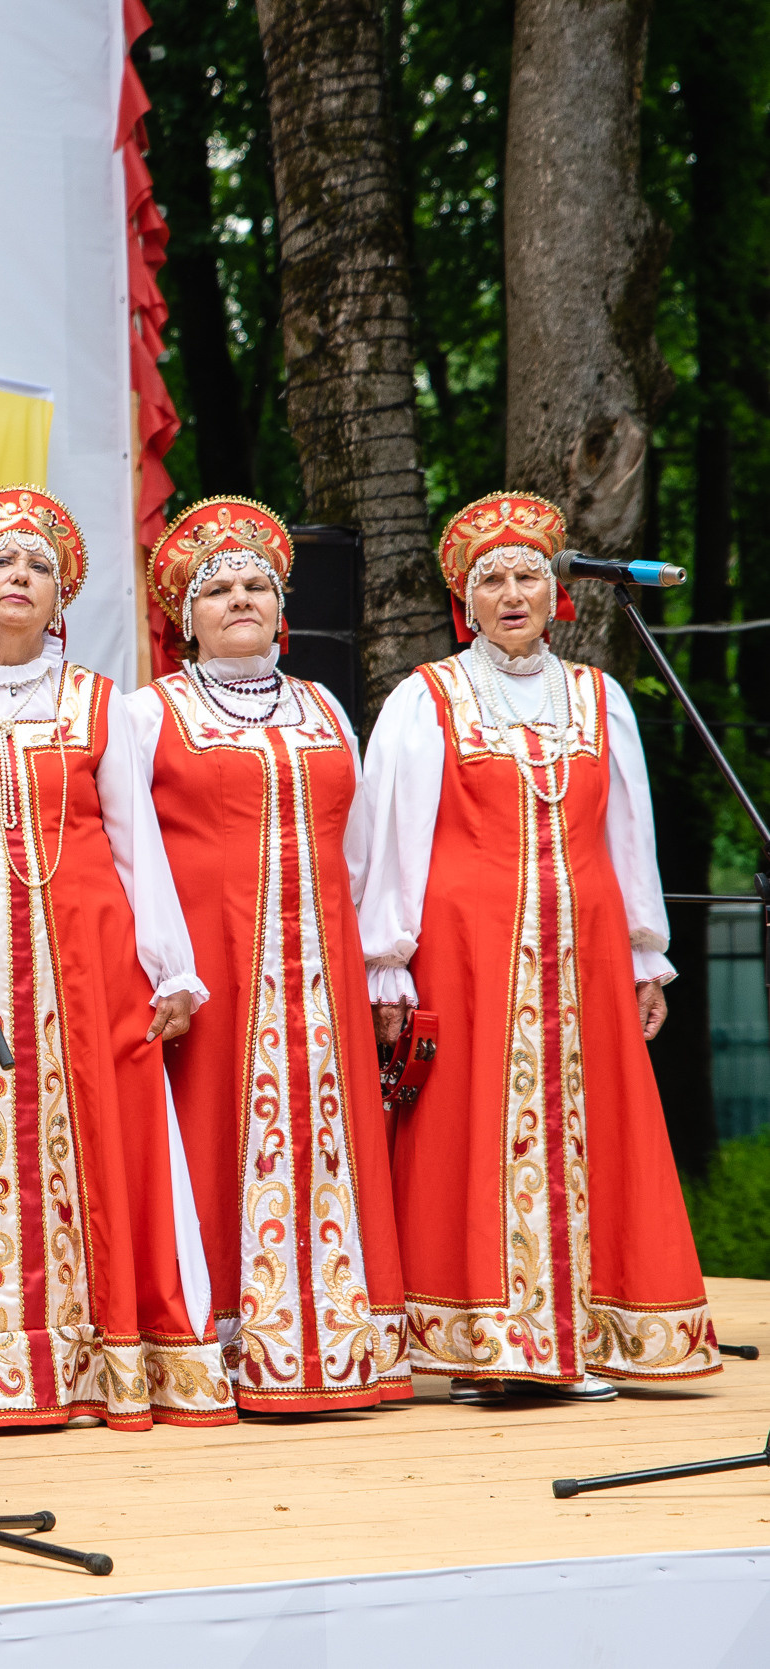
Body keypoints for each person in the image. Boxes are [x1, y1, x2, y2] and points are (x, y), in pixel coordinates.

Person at [0, 486, 233, 1431]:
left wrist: (172, 967)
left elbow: (134, 841)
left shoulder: (99, 703)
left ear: (61, 592)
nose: (20, 576)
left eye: (38, 564)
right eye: (1, 560)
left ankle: (96, 1358)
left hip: (90, 957)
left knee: (108, 1152)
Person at [352, 492, 716, 1402]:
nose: (513, 592)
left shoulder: (600, 698)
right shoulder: (425, 699)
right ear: (463, 601)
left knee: (597, 1126)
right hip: (470, 950)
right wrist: (387, 960)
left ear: (562, 595)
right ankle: (485, 1340)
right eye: (492, 580)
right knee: (468, 1127)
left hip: (585, 955)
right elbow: (391, 837)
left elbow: (630, 837)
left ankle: (589, 1334)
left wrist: (644, 953)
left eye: (529, 576)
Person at [125, 498, 408, 1413]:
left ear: (280, 607)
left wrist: (380, 965)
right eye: (218, 590)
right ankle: (222, 1349)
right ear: (184, 616)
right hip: (218, 972)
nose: (240, 599)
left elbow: (362, 847)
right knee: (213, 1135)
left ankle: (336, 1343)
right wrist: (162, 965)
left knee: (332, 1140)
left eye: (256, 586)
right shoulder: (146, 712)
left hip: (320, 972)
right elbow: (128, 852)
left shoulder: (324, 704)